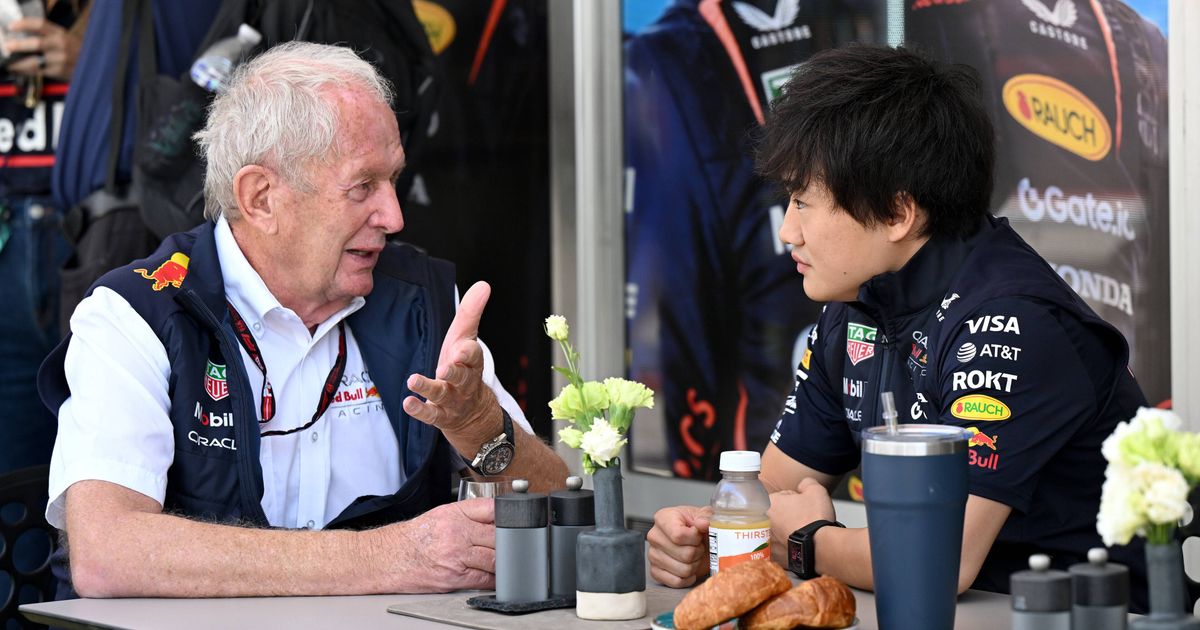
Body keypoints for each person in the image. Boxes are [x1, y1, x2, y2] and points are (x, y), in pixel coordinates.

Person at [38, 41, 568, 599]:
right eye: (362, 186)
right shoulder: (135, 313)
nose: (393, 216)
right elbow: (107, 553)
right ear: (261, 197)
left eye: (393, 180)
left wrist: (480, 427)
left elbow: (560, 515)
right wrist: (395, 556)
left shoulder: (422, 300)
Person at [646, 45, 1151, 611]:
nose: (788, 231)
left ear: (896, 213)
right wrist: (708, 531)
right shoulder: (859, 301)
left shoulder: (1013, 321)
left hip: (1079, 617)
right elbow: (774, 489)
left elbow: (939, 561)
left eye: (803, 202)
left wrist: (807, 541)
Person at [0, 0, 88, 475]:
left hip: (91, 229)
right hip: (8, 230)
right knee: (12, 469)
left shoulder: (116, 14)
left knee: (96, 447)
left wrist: (88, 64)